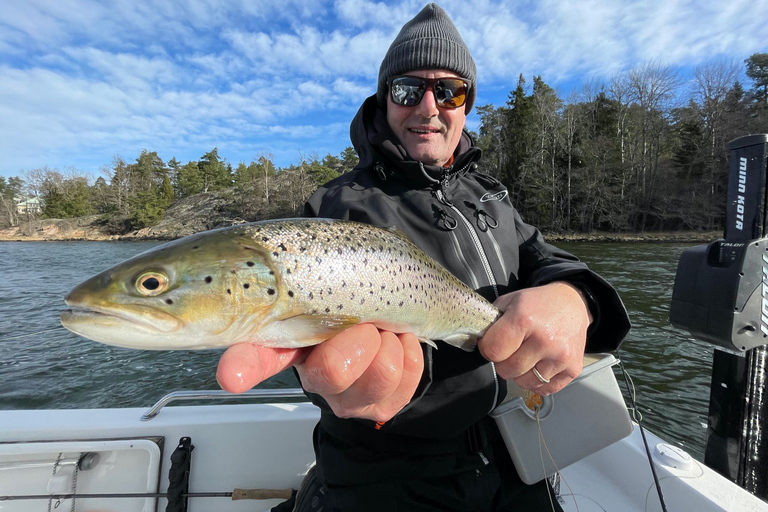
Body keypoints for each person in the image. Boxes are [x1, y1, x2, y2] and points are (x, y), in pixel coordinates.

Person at [217, 4, 631, 511]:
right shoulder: (331, 208)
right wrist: (326, 382)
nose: (428, 106)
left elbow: (546, 258)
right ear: (385, 100)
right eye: (408, 90)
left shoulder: (492, 198)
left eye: (450, 90)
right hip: (386, 479)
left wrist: (576, 297)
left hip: (517, 464)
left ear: (467, 104)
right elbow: (301, 347)